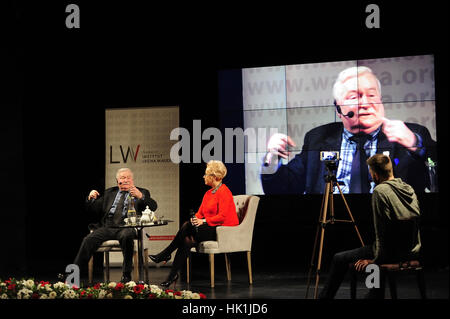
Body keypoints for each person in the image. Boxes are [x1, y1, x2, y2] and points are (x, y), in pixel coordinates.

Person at [261, 66, 436, 194]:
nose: (366, 103)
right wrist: (271, 158)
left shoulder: (411, 134)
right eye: (355, 97)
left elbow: (433, 176)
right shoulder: (318, 138)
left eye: (372, 95)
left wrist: (416, 145)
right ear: (338, 109)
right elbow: (283, 189)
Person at [318, 154, 422, 299]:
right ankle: (374, 294)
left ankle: (324, 298)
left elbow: (381, 233)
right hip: (412, 250)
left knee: (339, 258)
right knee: (373, 250)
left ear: (375, 174)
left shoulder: (380, 191)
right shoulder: (408, 188)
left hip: (392, 252)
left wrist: (375, 261)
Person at [149, 160, 239, 287]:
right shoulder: (208, 193)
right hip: (210, 227)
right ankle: (172, 275)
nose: (204, 177)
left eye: (206, 175)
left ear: (214, 177)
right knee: (187, 240)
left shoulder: (225, 192)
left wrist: (202, 221)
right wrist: (196, 218)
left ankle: (166, 253)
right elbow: (200, 212)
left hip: (223, 230)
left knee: (187, 227)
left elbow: (222, 216)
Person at [73, 168, 157, 283]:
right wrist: (91, 198)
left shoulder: (142, 191)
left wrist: (140, 196)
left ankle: (126, 275)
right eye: (122, 178)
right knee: (88, 240)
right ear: (117, 180)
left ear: (132, 180)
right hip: (108, 227)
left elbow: (153, 206)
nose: (126, 180)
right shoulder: (109, 192)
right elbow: (92, 209)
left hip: (128, 227)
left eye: (128, 177)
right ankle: (73, 274)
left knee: (127, 236)